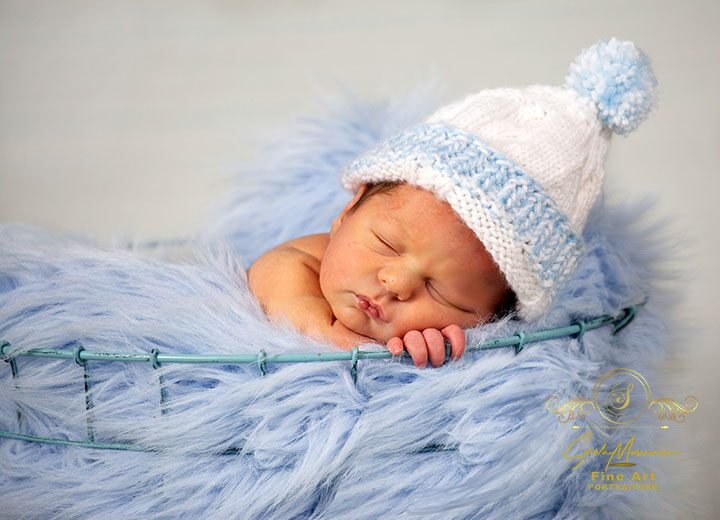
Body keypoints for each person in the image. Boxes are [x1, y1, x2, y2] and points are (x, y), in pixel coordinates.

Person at [247, 37, 658, 368]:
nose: (397, 283)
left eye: (442, 295)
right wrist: (319, 326)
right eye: (387, 243)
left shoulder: (461, 334)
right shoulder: (315, 257)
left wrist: (427, 351)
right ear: (346, 213)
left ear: (489, 321)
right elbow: (275, 266)